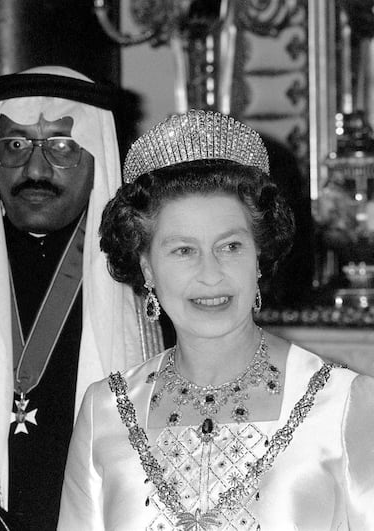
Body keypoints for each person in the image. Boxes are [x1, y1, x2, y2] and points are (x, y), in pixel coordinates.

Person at [58, 110, 374, 529]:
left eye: (230, 247)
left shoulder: (344, 403)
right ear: (147, 268)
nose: (210, 275)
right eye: (183, 250)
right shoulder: (106, 410)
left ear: (258, 256)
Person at [0, 66, 164, 529]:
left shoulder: (148, 285)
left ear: (98, 158)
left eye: (62, 148)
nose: (35, 170)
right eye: (16, 145)